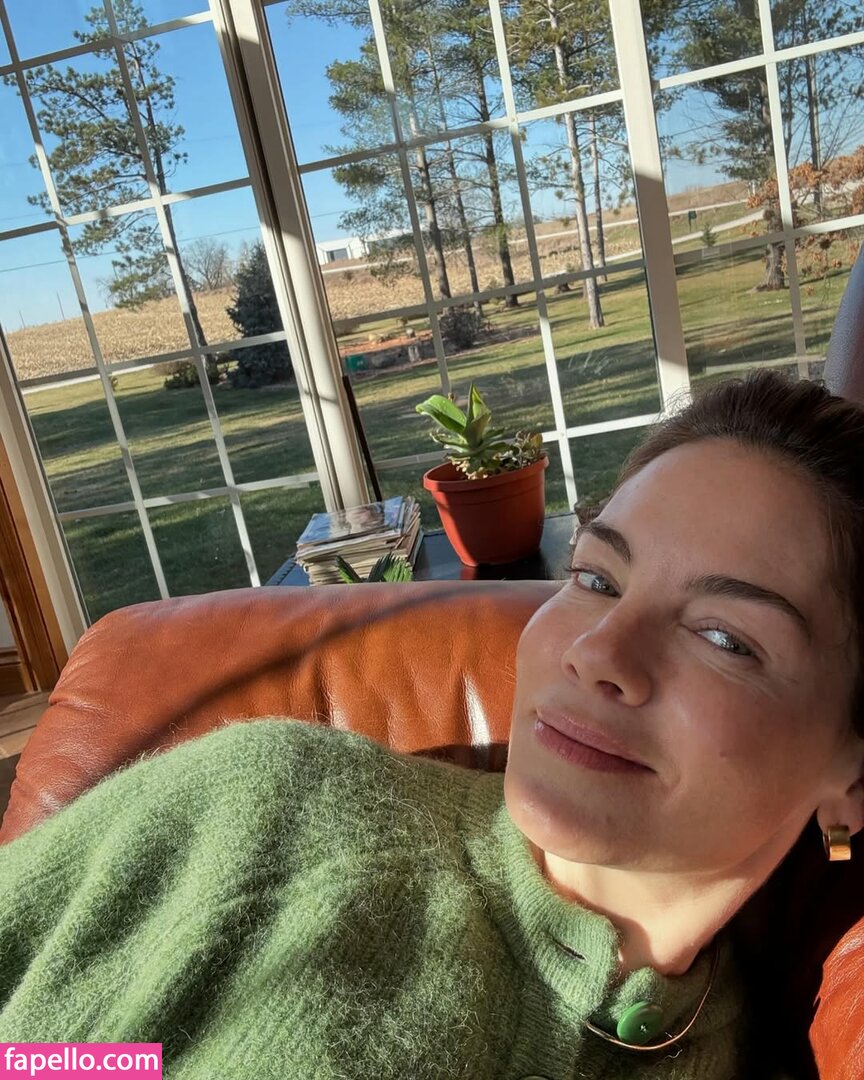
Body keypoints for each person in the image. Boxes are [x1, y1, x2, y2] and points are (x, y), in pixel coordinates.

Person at [1, 369, 863, 1080]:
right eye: (597, 579)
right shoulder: (275, 810)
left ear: (851, 777)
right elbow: (42, 1058)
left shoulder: (762, 1049)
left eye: (725, 637)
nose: (597, 652)